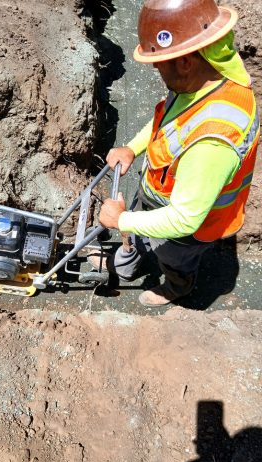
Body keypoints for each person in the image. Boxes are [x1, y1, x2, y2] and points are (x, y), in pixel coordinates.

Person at [95, 0, 260, 307]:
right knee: (140, 225)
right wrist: (133, 148)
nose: (155, 68)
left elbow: (184, 220)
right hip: (162, 193)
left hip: (190, 228)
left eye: (159, 62)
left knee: (174, 258)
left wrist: (122, 221)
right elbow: (168, 118)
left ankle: (177, 286)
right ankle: (134, 255)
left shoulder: (213, 141)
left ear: (185, 61)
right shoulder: (204, 75)